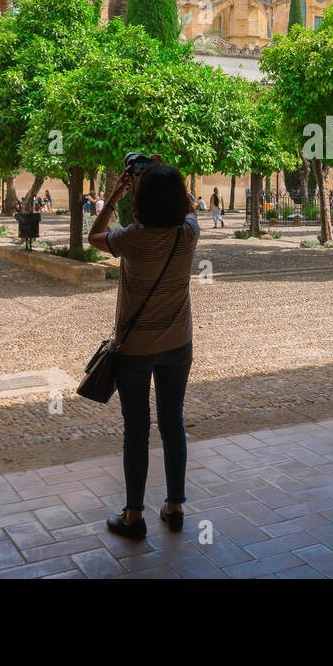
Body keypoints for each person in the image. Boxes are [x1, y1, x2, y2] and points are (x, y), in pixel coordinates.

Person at [89, 157, 200, 538]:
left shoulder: (131, 239)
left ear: (139, 199)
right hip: (177, 343)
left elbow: (93, 236)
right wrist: (165, 171)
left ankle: (133, 517)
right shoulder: (189, 233)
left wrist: (116, 194)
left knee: (136, 429)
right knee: (173, 421)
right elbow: (190, 205)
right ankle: (175, 506)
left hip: (135, 348)